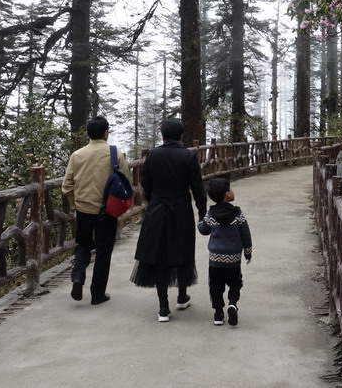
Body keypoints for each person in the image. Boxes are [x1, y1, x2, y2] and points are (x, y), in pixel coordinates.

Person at [131, 119, 207, 322]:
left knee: (160, 254)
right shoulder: (188, 156)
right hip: (181, 209)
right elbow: (197, 187)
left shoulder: (152, 155)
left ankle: (163, 307)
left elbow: (145, 183)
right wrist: (202, 213)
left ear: (162, 136)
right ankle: (182, 296)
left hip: (157, 210)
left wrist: (154, 201)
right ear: (182, 136)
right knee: (182, 250)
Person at [62, 115, 126, 306]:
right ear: (106, 133)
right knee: (104, 251)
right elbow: (126, 183)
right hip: (107, 210)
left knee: (83, 244)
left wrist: (77, 203)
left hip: (83, 209)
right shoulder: (116, 154)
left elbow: (66, 186)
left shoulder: (77, 155)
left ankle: (78, 276)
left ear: (88, 134)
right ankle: (97, 294)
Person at [198, 177, 252, 326]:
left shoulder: (210, 215)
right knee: (235, 282)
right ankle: (232, 303)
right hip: (233, 259)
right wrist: (248, 252)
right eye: (230, 189)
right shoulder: (238, 214)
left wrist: (200, 221)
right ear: (227, 194)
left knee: (215, 287)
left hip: (215, 260)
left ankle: (218, 314)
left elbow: (204, 230)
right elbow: (245, 235)